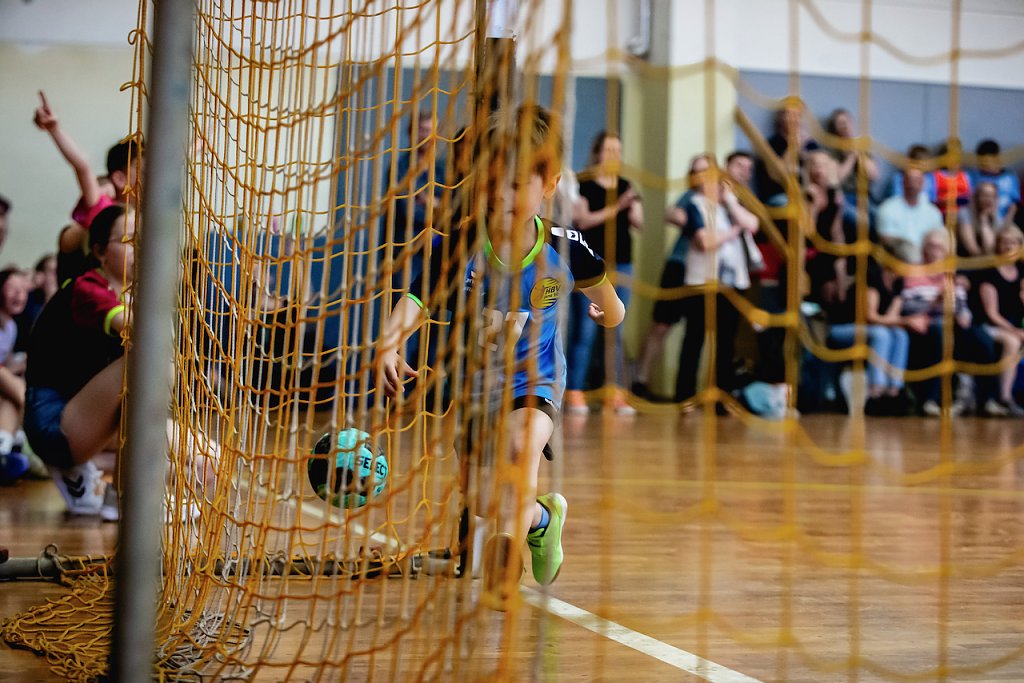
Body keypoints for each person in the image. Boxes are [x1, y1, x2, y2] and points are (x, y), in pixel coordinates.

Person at [377, 105, 624, 608]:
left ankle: (505, 557)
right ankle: (542, 519)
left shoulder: (566, 248)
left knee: (521, 445)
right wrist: (389, 341)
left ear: (548, 184)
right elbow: (418, 299)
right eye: (491, 183)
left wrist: (607, 315)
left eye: (515, 184)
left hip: (536, 380)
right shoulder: (462, 244)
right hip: (476, 389)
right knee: (482, 498)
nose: (501, 196)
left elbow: (613, 304)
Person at [673, 153, 759, 408]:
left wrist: (730, 202)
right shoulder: (694, 204)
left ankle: (723, 399)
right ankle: (685, 397)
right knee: (694, 340)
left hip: (732, 284)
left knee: (726, 343)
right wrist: (734, 230)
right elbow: (705, 241)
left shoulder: (729, 204)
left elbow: (752, 224)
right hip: (702, 283)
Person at [565, 131, 642, 415]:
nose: (613, 156)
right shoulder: (582, 183)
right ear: (596, 153)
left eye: (617, 151)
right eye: (608, 150)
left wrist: (632, 206)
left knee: (615, 331)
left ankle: (615, 393)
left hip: (623, 265)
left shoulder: (626, 185)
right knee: (584, 331)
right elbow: (582, 220)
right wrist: (617, 207)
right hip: (590, 267)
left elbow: (639, 222)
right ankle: (575, 391)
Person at [33, 91, 141, 284]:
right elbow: (83, 165)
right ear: (119, 179)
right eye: (144, 170)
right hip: (90, 293)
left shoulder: (143, 215)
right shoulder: (103, 207)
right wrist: (54, 128)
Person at [901, 229, 1001, 417]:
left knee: (982, 338)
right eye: (931, 246)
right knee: (941, 333)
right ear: (924, 249)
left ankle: (989, 400)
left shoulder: (951, 273)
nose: (934, 251)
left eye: (939, 247)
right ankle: (933, 399)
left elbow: (962, 304)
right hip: (927, 326)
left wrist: (962, 314)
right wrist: (935, 302)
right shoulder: (914, 272)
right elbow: (908, 307)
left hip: (953, 325)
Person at [826, 243, 912, 416]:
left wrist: (903, 322)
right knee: (882, 334)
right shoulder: (873, 276)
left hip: (872, 329)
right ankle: (875, 391)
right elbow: (870, 317)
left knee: (900, 335)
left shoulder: (899, 283)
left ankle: (894, 391)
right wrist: (907, 321)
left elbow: (892, 318)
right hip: (842, 328)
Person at [975, 226, 1024, 415]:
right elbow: (991, 314)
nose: (1008, 246)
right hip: (989, 326)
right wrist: (1015, 330)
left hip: (1013, 325)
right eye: (1004, 242)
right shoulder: (990, 272)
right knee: (1013, 342)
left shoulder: (1021, 271)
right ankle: (1004, 397)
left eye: (1013, 242)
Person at [877, 161, 944, 261]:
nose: (912, 184)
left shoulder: (934, 212)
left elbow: (939, 239)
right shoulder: (887, 208)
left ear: (923, 183)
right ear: (903, 182)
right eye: (909, 180)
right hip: (897, 261)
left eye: (916, 180)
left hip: (927, 262)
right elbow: (886, 240)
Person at [0, 269, 31, 482]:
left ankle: (3, 451)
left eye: (23, 290)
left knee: (10, 402)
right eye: (13, 289)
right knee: (20, 391)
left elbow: (7, 361)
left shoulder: (11, 326)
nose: (19, 295)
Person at [968, 139, 1020, 225]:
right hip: (978, 220)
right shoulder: (973, 176)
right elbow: (970, 200)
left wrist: (1005, 224)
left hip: (1005, 221)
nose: (986, 165)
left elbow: (1014, 205)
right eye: (982, 162)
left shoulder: (1009, 177)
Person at [956, 182, 1010, 258]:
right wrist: (983, 221)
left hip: (989, 259)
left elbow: (993, 247)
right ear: (976, 198)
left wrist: (985, 220)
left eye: (993, 196)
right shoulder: (964, 213)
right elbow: (973, 250)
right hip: (967, 259)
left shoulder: (996, 215)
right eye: (985, 195)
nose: (989, 199)